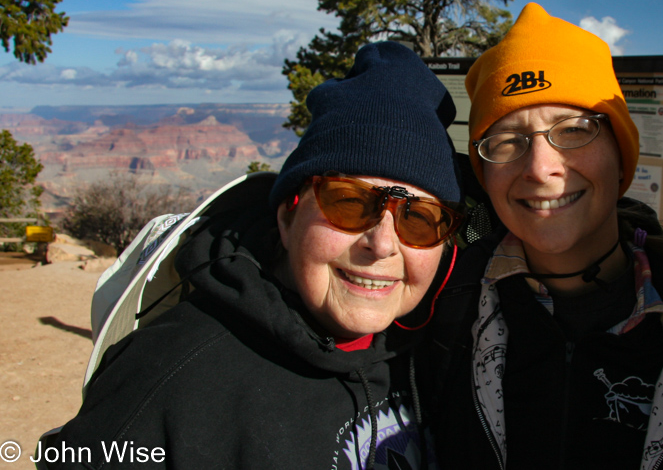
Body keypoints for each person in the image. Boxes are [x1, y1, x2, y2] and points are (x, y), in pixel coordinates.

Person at [41, 41, 464, 469]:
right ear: (286, 217)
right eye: (349, 203)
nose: (383, 244)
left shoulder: (431, 351)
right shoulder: (166, 379)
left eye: (419, 218)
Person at [426, 3, 663, 469]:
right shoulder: (442, 309)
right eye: (507, 140)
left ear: (621, 152)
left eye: (572, 131)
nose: (539, 168)